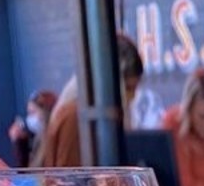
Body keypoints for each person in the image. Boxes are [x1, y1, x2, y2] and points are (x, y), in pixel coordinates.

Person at [41, 34, 144, 169]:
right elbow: (69, 178)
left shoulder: (88, 114)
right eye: (128, 88)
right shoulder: (75, 116)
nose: (132, 97)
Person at [8, 88, 57, 168]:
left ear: (46, 113)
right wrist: (20, 143)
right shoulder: (37, 139)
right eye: (29, 114)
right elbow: (26, 170)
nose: (29, 118)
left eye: (33, 113)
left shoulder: (51, 140)